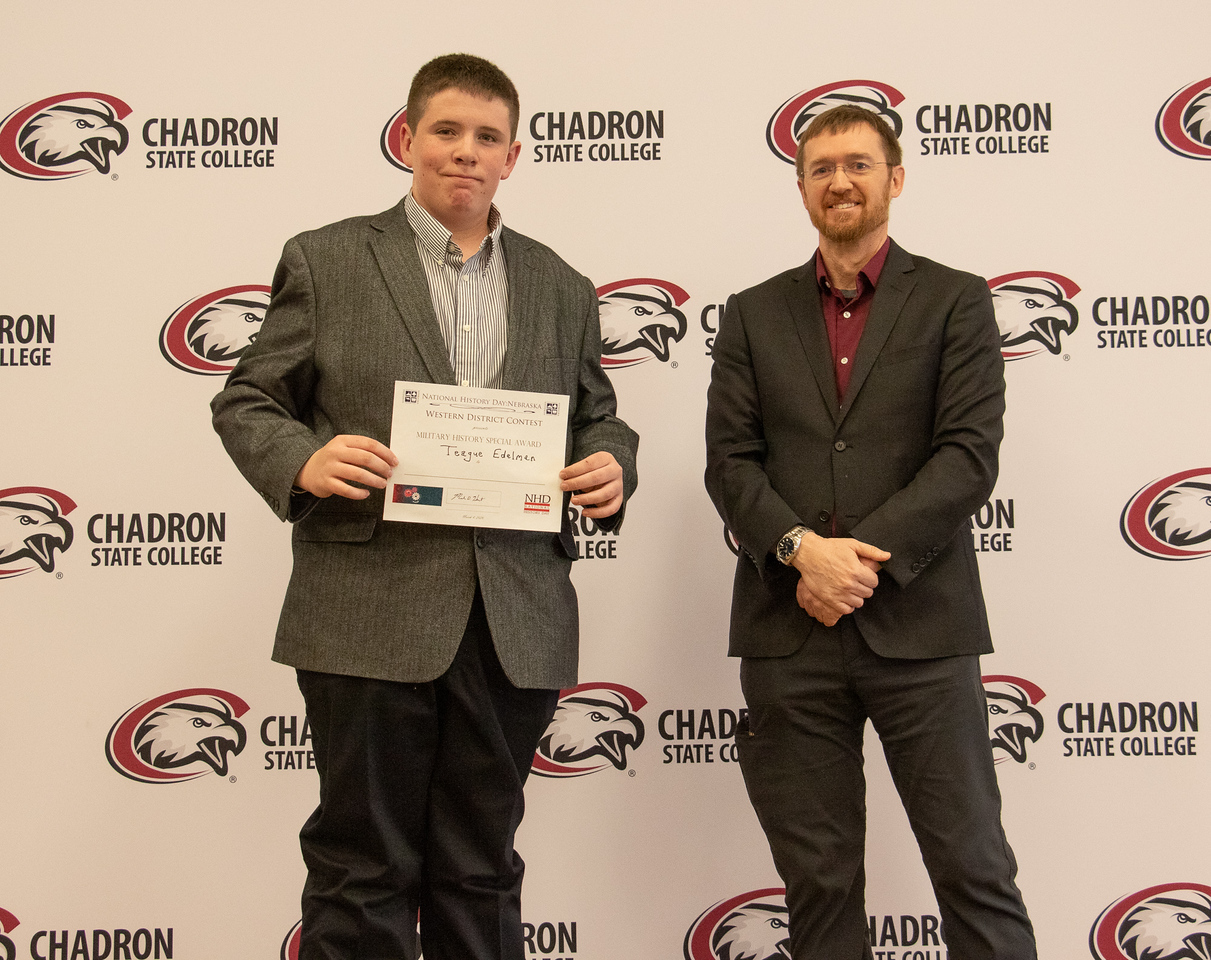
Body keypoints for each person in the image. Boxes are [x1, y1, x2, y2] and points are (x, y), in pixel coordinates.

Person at [212, 53, 638, 960]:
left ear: (512, 158)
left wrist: (608, 463)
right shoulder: (326, 259)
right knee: (362, 867)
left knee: (480, 869)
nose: (465, 153)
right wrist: (304, 456)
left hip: (512, 614)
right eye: (445, 131)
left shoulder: (561, 283)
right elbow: (246, 399)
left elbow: (597, 418)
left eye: (487, 138)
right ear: (407, 139)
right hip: (367, 606)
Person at [704, 104, 1036, 960]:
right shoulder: (749, 313)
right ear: (802, 187)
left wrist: (855, 567)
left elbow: (967, 458)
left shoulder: (956, 301)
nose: (838, 181)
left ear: (894, 177)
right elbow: (730, 464)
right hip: (790, 630)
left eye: (856, 164)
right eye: (819, 168)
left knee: (971, 866)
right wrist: (799, 553)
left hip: (921, 630)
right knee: (818, 884)